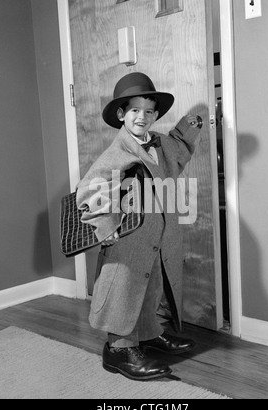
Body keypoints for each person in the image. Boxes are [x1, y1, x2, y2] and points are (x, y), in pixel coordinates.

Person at [76, 72, 202, 381]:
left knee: (149, 289)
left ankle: (148, 333)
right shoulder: (116, 154)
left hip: (155, 239)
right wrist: (107, 228)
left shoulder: (160, 146)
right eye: (134, 110)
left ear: (156, 114)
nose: (142, 117)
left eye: (148, 111)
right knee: (125, 290)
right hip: (127, 242)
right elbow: (88, 193)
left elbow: (179, 152)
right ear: (121, 115)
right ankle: (119, 349)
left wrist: (192, 125)